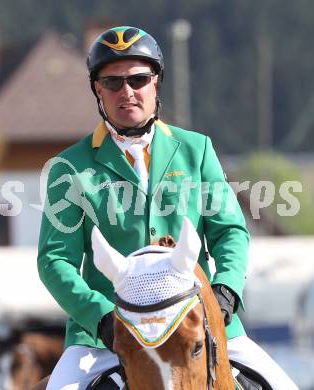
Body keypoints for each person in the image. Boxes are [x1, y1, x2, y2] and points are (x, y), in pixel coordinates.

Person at [38, 26, 298, 389]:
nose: (127, 91)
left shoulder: (197, 150)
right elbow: (54, 260)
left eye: (138, 79)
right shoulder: (70, 168)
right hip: (106, 337)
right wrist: (102, 318)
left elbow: (230, 231)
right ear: (98, 89)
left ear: (155, 82)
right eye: (113, 83)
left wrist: (224, 292)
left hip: (198, 321)